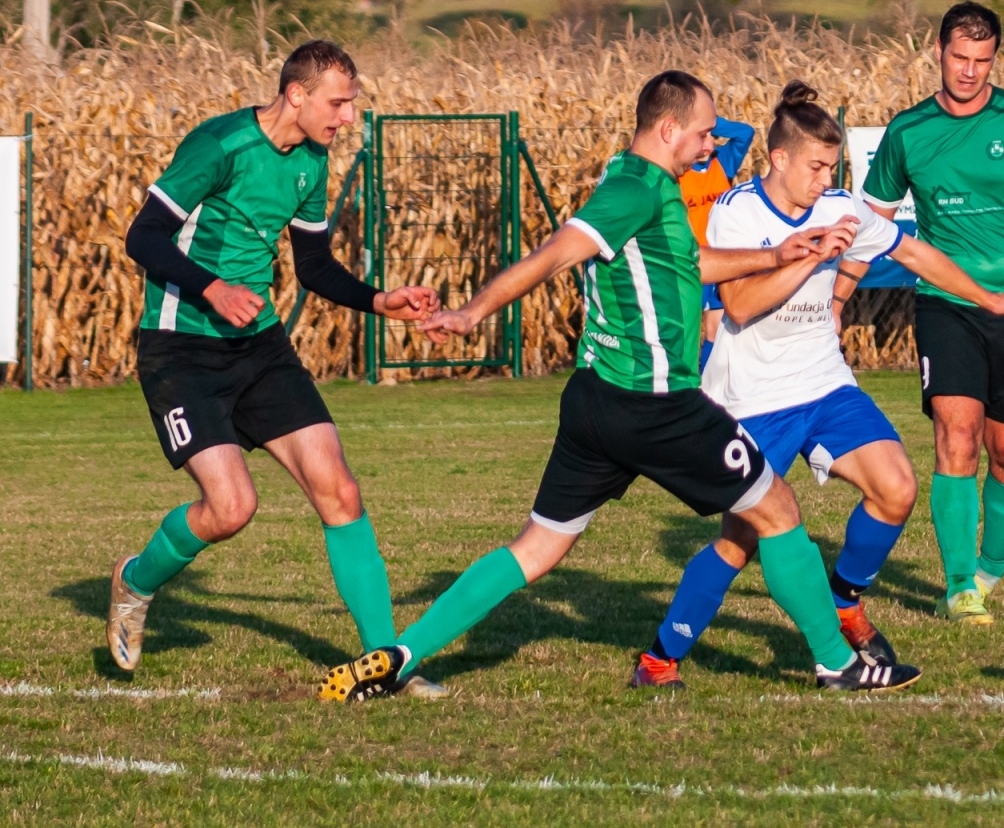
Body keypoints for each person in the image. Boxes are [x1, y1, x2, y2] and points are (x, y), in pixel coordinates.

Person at [316, 71, 924, 702]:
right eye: (703, 132)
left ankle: (400, 654)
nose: (713, 143)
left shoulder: (637, 180)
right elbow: (557, 250)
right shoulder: (634, 191)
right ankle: (837, 663)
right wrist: (473, 311)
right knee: (777, 510)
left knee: (537, 548)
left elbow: (688, 263)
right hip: (658, 406)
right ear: (668, 130)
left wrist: (779, 255)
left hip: (593, 401)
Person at [631, 81, 1004, 689]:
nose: (827, 179)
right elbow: (741, 306)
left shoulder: (839, 207)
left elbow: (915, 254)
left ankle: (845, 600)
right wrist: (806, 256)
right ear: (778, 159)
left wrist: (989, 299)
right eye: (817, 166)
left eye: (834, 167)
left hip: (825, 384)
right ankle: (660, 658)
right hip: (753, 399)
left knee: (897, 487)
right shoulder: (736, 211)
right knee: (740, 539)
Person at [108, 40, 445, 695]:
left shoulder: (311, 162)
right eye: (339, 103)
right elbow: (141, 237)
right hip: (181, 350)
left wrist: (382, 301)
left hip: (259, 349)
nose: (349, 118)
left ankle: (388, 664)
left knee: (340, 490)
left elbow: (313, 268)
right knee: (231, 508)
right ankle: (135, 580)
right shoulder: (219, 145)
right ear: (297, 94)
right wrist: (211, 287)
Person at [861, 2, 1004, 625]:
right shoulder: (906, 132)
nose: (969, 71)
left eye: (982, 61)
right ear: (937, 51)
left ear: (995, 60)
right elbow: (869, 224)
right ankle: (960, 585)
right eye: (960, 58)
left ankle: (990, 568)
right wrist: (828, 299)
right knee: (955, 436)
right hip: (945, 306)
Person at [678, 115, 755, 368]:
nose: (707, 144)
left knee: (715, 331)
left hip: (722, 260)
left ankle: (705, 387)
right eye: (700, 137)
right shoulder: (678, 171)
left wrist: (708, 121)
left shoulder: (722, 162)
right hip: (691, 262)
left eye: (709, 136)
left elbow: (745, 133)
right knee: (684, 330)